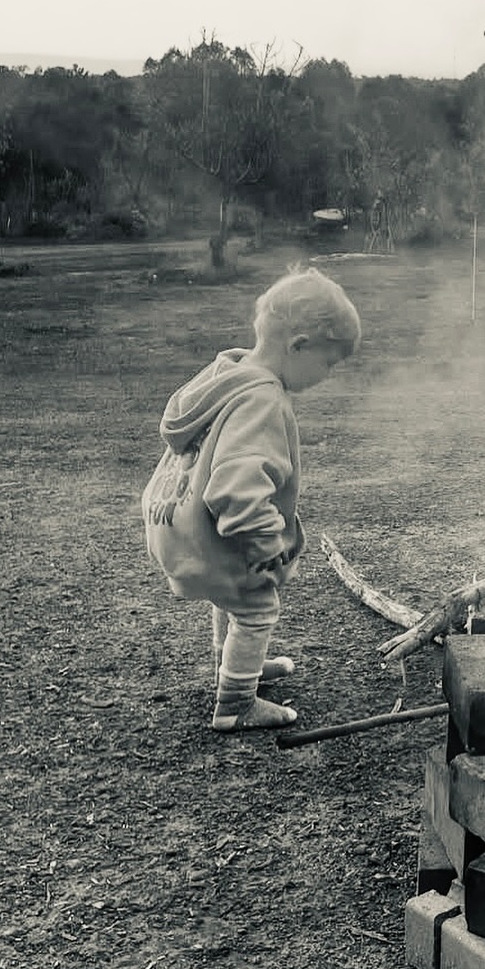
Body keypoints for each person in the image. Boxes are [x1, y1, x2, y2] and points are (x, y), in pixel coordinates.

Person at [142, 265, 362, 730]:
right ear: (298, 344)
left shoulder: (230, 372)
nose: (328, 375)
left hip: (175, 522)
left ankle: (236, 666)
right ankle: (236, 704)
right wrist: (267, 548)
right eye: (329, 362)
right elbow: (237, 487)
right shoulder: (262, 399)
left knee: (234, 599)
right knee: (258, 602)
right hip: (212, 531)